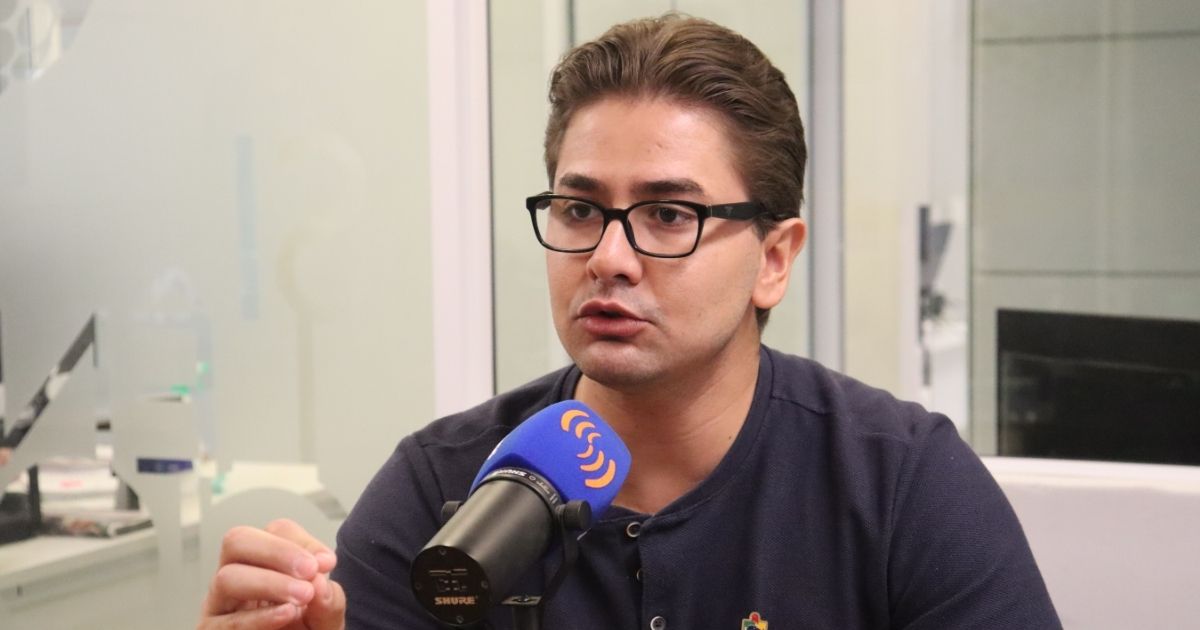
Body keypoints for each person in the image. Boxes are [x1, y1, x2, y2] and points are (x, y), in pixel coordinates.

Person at [199, 14, 1060, 630]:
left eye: (668, 215)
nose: (609, 257)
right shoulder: (441, 491)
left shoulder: (898, 485)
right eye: (579, 209)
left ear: (774, 258)